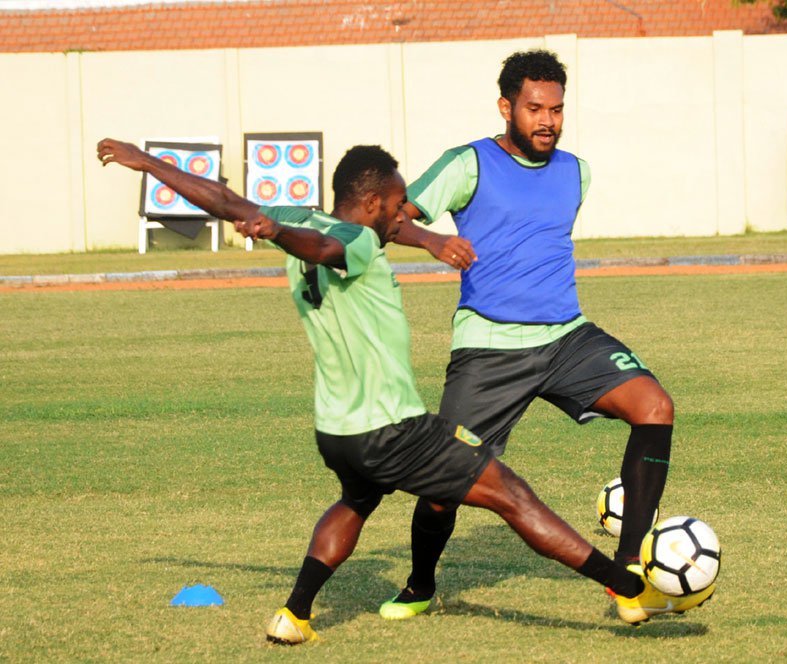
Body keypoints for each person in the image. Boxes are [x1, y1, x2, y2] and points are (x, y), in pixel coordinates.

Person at [96, 138, 692, 643]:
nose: (407, 212)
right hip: (394, 429)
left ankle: (294, 615)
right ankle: (628, 586)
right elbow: (331, 250)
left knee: (357, 501)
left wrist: (149, 165)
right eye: (401, 202)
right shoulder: (352, 242)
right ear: (375, 201)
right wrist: (276, 231)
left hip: (337, 430)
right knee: (513, 496)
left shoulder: (302, 215)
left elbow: (225, 202)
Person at [383, 49, 705, 623]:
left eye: (557, 109)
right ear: (506, 106)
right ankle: (421, 584)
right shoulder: (469, 163)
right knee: (440, 485)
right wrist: (432, 242)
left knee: (654, 405)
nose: (547, 120)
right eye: (535, 108)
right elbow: (392, 215)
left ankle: (627, 572)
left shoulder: (576, 171)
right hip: (488, 349)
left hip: (567, 339)